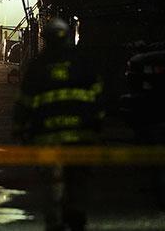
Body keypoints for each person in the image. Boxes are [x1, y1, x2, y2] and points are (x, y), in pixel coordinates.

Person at [13, 17, 103, 231]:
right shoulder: (83, 62)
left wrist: (19, 129)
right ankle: (77, 214)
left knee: (50, 181)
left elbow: (24, 101)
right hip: (81, 135)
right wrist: (97, 126)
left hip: (47, 136)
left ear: (45, 39)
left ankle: (54, 221)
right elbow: (98, 98)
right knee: (78, 177)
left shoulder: (37, 66)